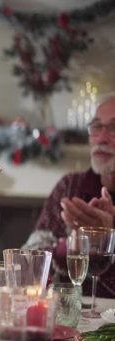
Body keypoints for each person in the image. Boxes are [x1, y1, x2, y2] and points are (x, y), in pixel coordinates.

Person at [24, 94, 115, 297]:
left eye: (114, 128)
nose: (102, 138)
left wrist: (109, 237)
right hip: (72, 316)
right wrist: (72, 245)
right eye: (97, 127)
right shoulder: (70, 187)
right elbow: (28, 262)